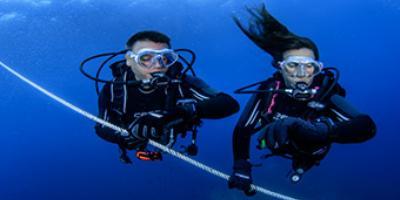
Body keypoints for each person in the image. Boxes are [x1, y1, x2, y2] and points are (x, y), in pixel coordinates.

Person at [228, 5, 376, 195]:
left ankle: (302, 166)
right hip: (273, 142)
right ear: (280, 67)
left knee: (308, 152)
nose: (301, 74)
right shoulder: (268, 91)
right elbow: (243, 130)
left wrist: (323, 131)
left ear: (318, 69)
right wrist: (241, 165)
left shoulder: (325, 93)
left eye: (309, 67)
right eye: (292, 65)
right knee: (263, 139)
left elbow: (366, 126)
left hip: (311, 149)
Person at [94, 31, 239, 163]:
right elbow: (101, 127)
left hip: (171, 140)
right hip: (133, 142)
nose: (158, 65)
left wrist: (182, 112)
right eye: (146, 57)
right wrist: (123, 138)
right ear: (129, 60)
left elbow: (229, 103)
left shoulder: (182, 83)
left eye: (165, 58)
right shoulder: (114, 89)